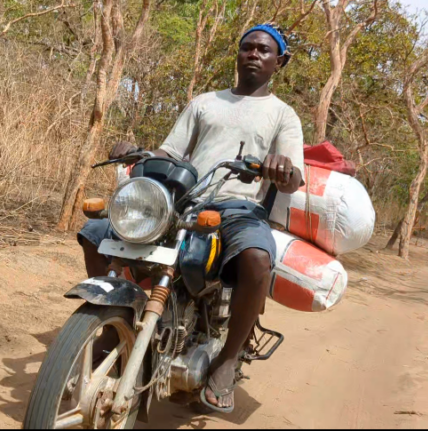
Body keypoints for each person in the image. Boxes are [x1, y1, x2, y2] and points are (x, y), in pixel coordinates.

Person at [78, 24, 303, 413]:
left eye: (264, 50)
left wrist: (282, 168)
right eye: (246, 47)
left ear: (278, 61)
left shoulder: (283, 115)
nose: (253, 54)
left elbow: (294, 178)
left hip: (238, 207)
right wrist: (137, 151)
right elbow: (171, 153)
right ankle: (111, 322)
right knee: (96, 232)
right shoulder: (204, 102)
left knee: (257, 259)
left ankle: (228, 360)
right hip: (185, 200)